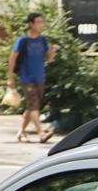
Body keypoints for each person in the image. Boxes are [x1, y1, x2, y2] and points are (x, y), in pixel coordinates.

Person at [5, 12, 58, 144]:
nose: (41, 25)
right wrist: (10, 77)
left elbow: (47, 59)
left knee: (31, 107)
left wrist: (52, 51)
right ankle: (41, 133)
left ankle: (21, 132)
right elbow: (13, 57)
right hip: (26, 77)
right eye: (39, 22)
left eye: (42, 22)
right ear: (31, 24)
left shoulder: (42, 40)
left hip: (40, 77)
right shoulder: (23, 40)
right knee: (34, 106)